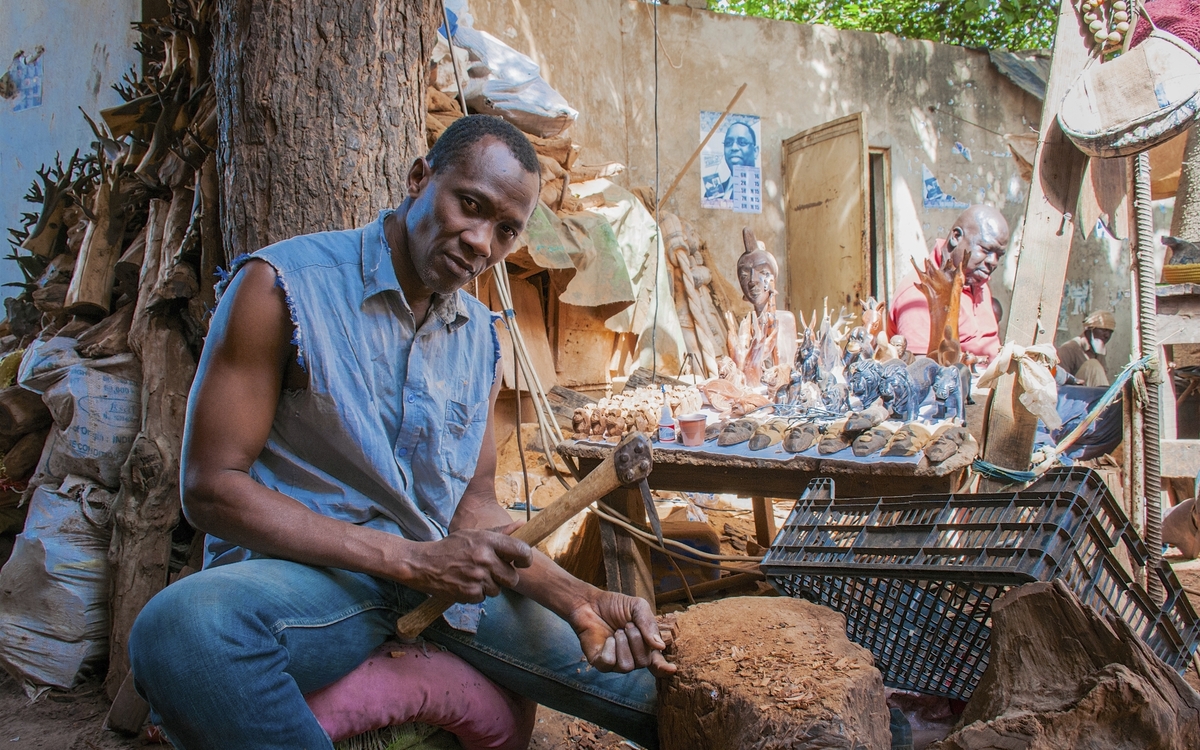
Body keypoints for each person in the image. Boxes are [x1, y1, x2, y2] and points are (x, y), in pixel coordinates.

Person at [127, 115, 673, 750]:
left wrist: (578, 600)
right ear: (419, 179)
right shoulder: (282, 288)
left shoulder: (480, 340)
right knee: (181, 633)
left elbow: (474, 514)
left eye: (505, 231)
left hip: (444, 588)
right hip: (310, 585)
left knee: (661, 689)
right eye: (470, 205)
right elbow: (210, 489)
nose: (479, 242)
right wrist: (412, 559)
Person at [888, 205, 1009, 363]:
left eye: (998, 255)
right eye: (986, 250)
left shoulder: (977, 280)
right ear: (956, 237)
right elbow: (923, 376)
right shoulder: (923, 293)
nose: (993, 262)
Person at [736, 234, 797, 372]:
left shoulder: (786, 320)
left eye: (763, 272)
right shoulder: (746, 325)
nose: (752, 281)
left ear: (772, 279)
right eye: (744, 276)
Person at [1057, 310, 1115, 387]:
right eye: (1103, 330)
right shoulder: (1070, 348)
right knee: (1093, 365)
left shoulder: (1099, 350)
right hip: (1072, 394)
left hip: (1090, 394)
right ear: (1090, 329)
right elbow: (1059, 382)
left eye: (1110, 332)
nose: (1107, 335)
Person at [703, 121, 758, 202]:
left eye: (742, 142)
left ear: (755, 151)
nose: (734, 147)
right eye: (728, 143)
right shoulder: (712, 193)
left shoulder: (762, 190)